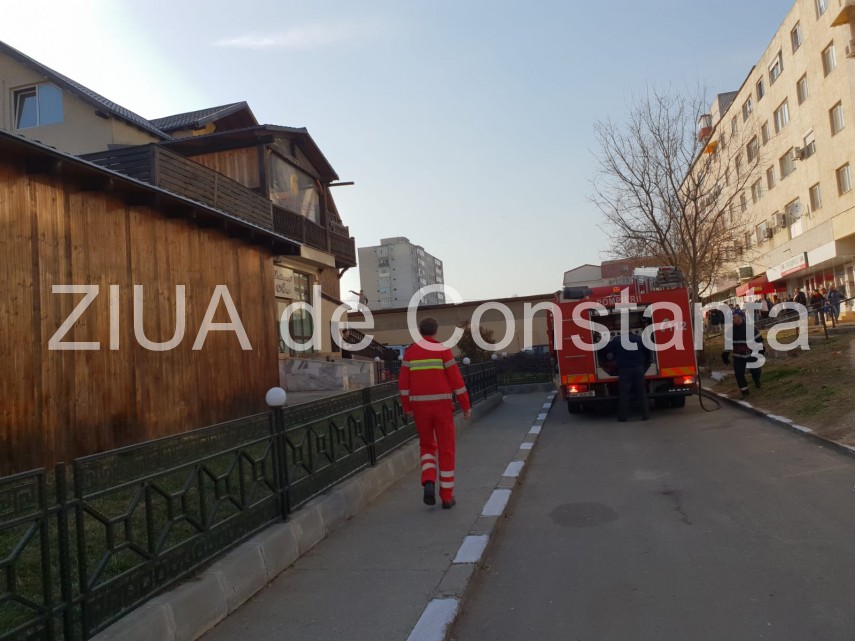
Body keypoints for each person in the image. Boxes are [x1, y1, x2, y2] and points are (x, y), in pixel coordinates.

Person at [398, 317, 471, 509]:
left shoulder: (410, 352)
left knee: (427, 446)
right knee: (446, 449)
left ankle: (428, 479)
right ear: (435, 331)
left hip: (420, 408)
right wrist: (465, 405)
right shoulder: (442, 350)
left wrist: (407, 407)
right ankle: (447, 497)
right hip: (442, 407)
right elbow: (456, 380)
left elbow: (403, 384)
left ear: (420, 331)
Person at [602, 330, 651, 422]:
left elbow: (606, 350)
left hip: (624, 370)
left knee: (624, 394)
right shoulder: (639, 339)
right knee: (641, 393)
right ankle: (645, 415)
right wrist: (646, 363)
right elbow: (648, 351)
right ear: (632, 332)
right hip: (638, 368)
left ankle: (623, 417)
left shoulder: (617, 340)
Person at [721, 311, 764, 398]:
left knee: (755, 371)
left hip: (751, 354)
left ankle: (757, 381)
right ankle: (745, 391)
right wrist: (725, 354)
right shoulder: (731, 331)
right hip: (738, 356)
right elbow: (728, 344)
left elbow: (759, 339)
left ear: (740, 317)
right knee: (739, 374)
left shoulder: (750, 328)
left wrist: (761, 349)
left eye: (734, 317)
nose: (733, 319)